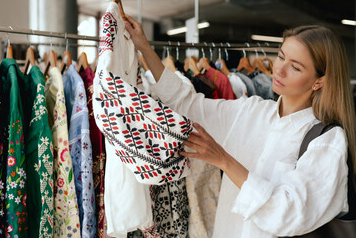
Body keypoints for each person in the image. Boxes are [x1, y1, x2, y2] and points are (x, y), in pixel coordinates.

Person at [125, 15, 356, 238]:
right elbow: (187, 104)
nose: (279, 70)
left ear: (319, 81)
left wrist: (224, 160)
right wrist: (144, 46)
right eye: (281, 56)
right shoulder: (252, 111)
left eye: (295, 67)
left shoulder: (327, 140)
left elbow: (290, 213)